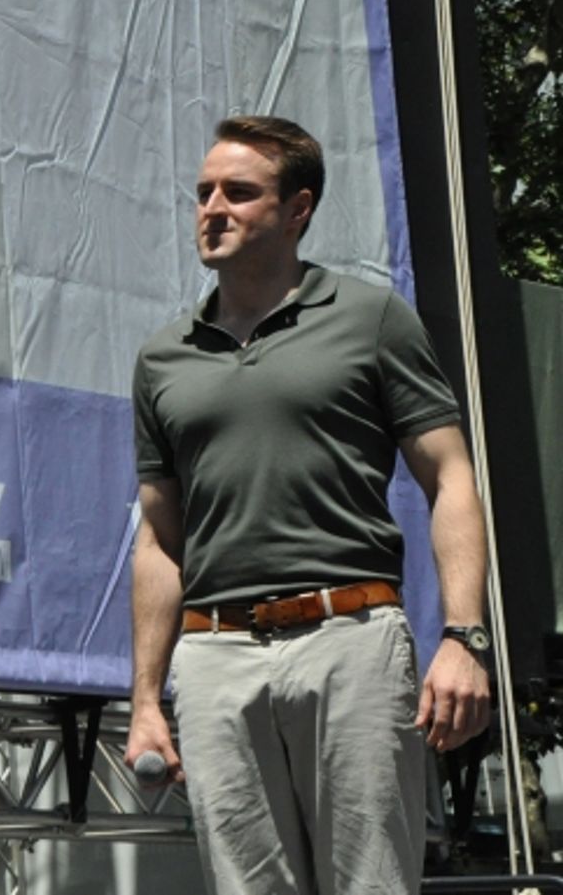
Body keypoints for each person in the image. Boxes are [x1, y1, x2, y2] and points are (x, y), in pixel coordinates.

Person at [123, 116, 491, 895]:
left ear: (298, 210)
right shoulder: (162, 358)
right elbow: (158, 539)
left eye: (239, 192)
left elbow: (451, 478)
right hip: (213, 655)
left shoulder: (371, 318)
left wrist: (464, 636)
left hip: (350, 637)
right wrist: (147, 700)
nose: (212, 208)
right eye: (203, 193)